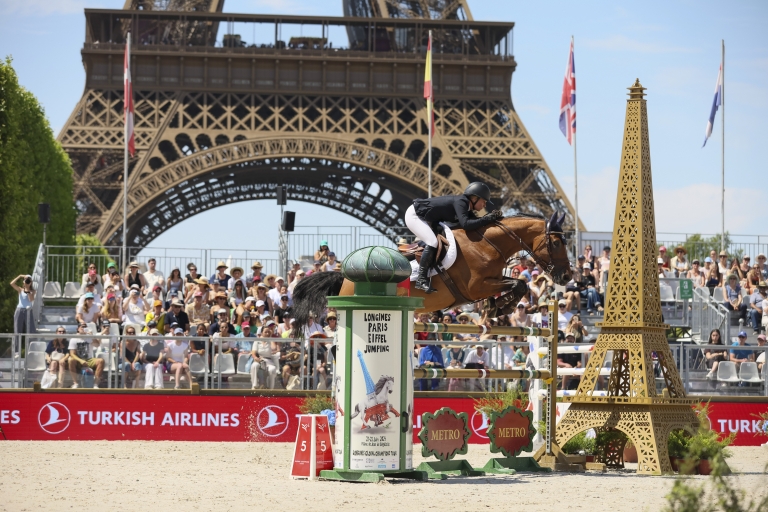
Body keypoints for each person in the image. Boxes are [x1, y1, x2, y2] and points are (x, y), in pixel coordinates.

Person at [405, 182, 501, 293]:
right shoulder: (461, 202)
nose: (485, 205)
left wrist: (493, 219)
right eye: (484, 201)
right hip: (415, 216)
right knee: (432, 242)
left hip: (427, 219)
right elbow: (466, 224)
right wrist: (487, 218)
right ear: (474, 198)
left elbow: (475, 224)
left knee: (435, 241)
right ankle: (421, 279)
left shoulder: (467, 206)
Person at [67, 323, 104, 389]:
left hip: (89, 359)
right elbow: (72, 353)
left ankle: (95, 384)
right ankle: (75, 383)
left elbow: (97, 345)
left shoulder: (89, 337)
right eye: (82, 327)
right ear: (78, 329)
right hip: (78, 360)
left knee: (101, 361)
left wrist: (92, 336)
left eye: (85, 327)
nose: (84, 328)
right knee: (70, 359)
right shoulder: (73, 339)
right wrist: (80, 360)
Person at [250, 321, 280, 389]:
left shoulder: (270, 341)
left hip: (269, 361)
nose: (267, 333)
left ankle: (271, 388)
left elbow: (274, 348)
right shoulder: (257, 341)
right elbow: (253, 352)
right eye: (265, 332)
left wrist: (270, 338)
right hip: (260, 359)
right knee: (254, 365)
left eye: (268, 332)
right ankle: (255, 385)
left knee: (272, 369)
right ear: (262, 333)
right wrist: (255, 357)